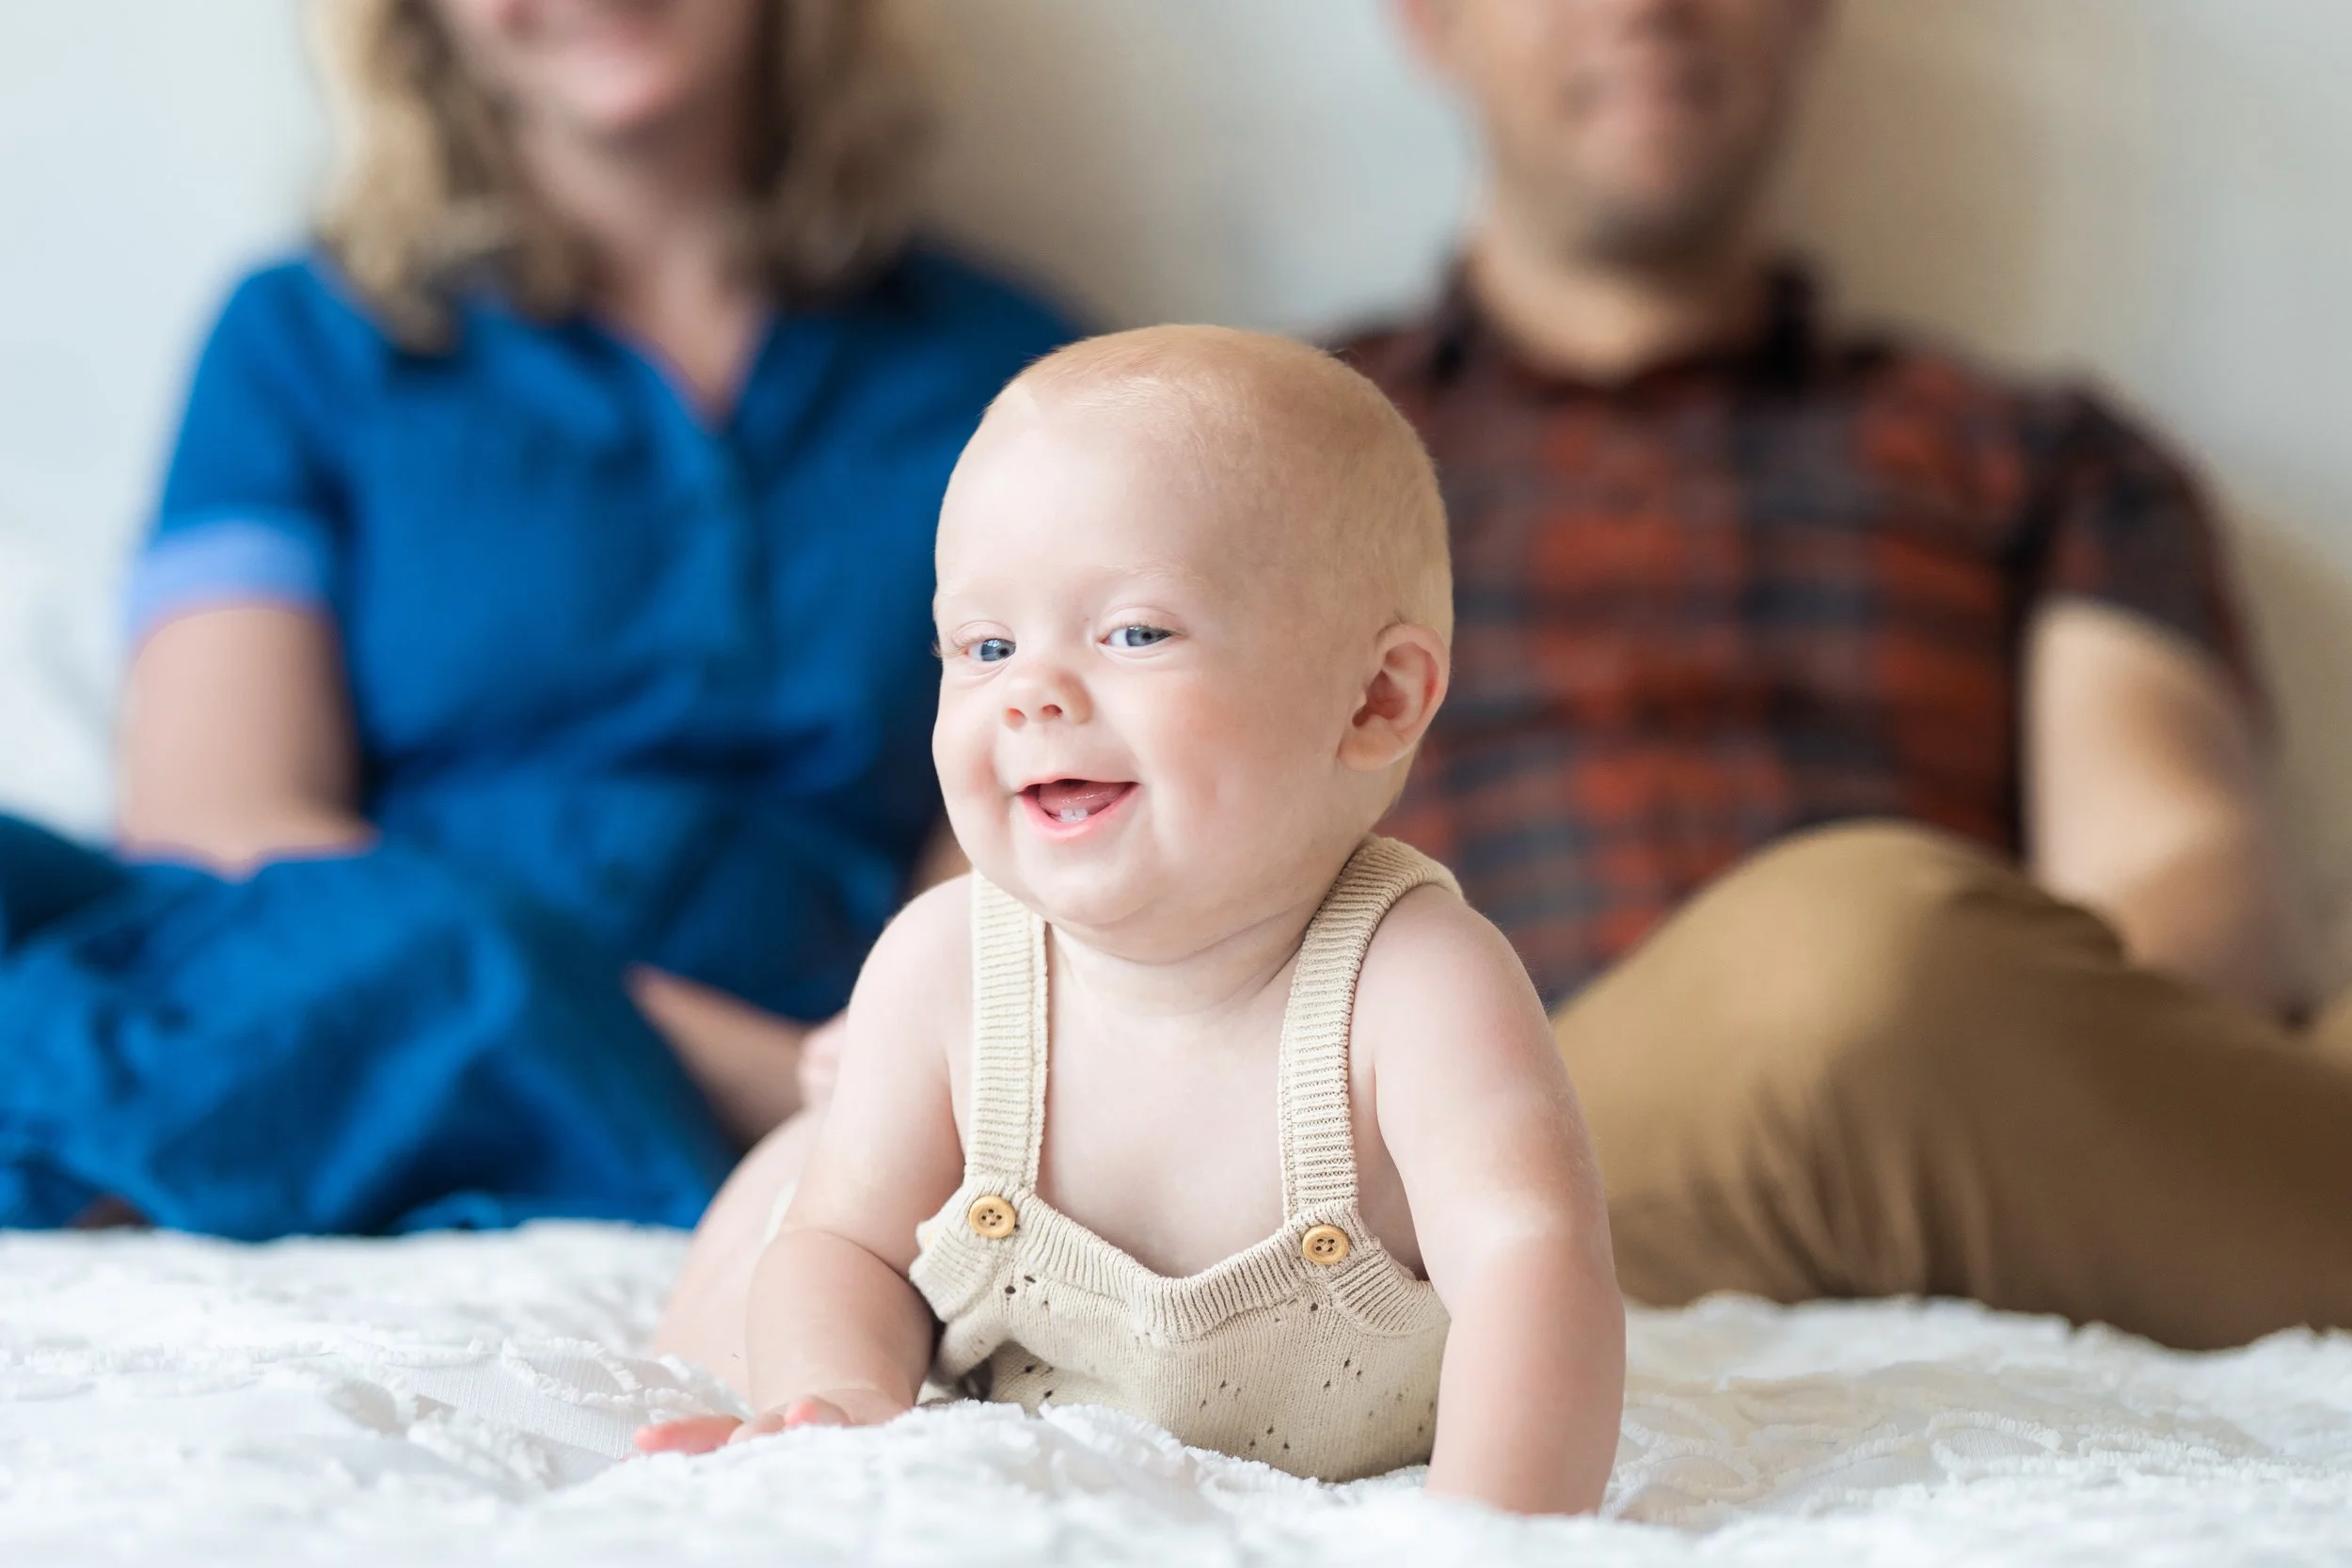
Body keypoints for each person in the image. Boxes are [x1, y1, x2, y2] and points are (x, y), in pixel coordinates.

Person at [1331, 0, 2352, 1351]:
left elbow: (2181, 879)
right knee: (1846, 960)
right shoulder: (1263, 460)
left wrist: (1991, 1049)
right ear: (1430, 21)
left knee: (1880, 972)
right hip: (1465, 1167)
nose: (1648, 9)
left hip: (1975, 1103)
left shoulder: (2041, 454)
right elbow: (1034, 909)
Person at [0, 0, 1068, 1236]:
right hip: (381, 978)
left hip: (807, 1008)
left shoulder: (1016, 375)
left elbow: (1033, 832)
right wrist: (727, 1061)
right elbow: (214, 818)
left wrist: (913, 1061)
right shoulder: (300, 340)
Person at [635, 328, 1626, 1516]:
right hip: (946, 1317)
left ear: (1374, 700)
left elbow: (1535, 1265)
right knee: (778, 1222)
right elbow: (848, 1247)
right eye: (984, 646)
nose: (1032, 690)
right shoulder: (944, 965)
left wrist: (1489, 1525)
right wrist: (839, 1411)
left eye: (1134, 632)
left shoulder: (1413, 984)